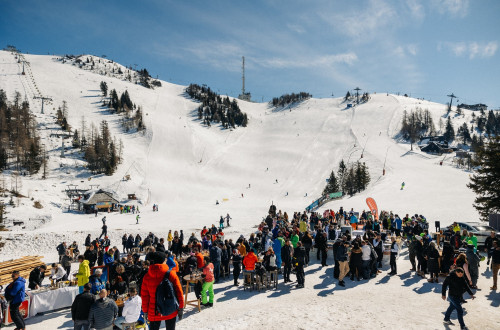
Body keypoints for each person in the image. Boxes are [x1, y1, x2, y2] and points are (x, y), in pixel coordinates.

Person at [141, 252, 184, 330]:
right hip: (170, 307)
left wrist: (145, 311)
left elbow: (144, 296)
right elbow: (179, 292)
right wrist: (181, 307)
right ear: (164, 260)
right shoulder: (171, 274)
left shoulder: (147, 276)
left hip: (153, 310)